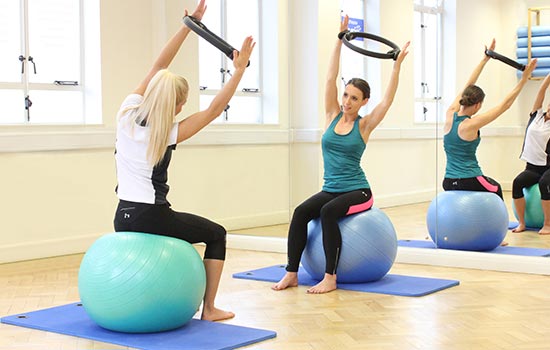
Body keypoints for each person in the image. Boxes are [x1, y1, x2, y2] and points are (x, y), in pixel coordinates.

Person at [112, 0, 255, 321]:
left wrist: (188, 26)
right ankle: (210, 309)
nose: (182, 109)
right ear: (174, 104)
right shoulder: (167, 132)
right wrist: (239, 71)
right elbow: (214, 110)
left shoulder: (126, 113)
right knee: (216, 233)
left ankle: (131, 301)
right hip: (152, 217)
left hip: (122, 216)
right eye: (182, 104)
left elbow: (157, 66)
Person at [272, 15, 409, 294]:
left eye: (353, 98)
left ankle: (330, 277)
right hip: (331, 188)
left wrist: (396, 66)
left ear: (363, 102)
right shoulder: (332, 115)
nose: (346, 101)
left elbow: (388, 100)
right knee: (300, 213)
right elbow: (330, 77)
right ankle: (291, 273)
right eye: (346, 95)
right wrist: (339, 39)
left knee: (327, 213)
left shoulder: (365, 124)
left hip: (358, 191)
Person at [443, 39, 537, 200]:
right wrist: (524, 79)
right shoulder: (472, 124)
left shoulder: (450, 114)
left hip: (448, 181)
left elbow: (468, 84)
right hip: (470, 178)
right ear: (478, 105)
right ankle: (499, 225)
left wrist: (484, 60)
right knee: (495, 188)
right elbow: (505, 105)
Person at [512, 73, 550, 235]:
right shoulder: (536, 116)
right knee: (517, 183)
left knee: (544, 184)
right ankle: (522, 223)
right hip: (532, 166)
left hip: (548, 167)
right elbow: (541, 90)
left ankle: (547, 224)